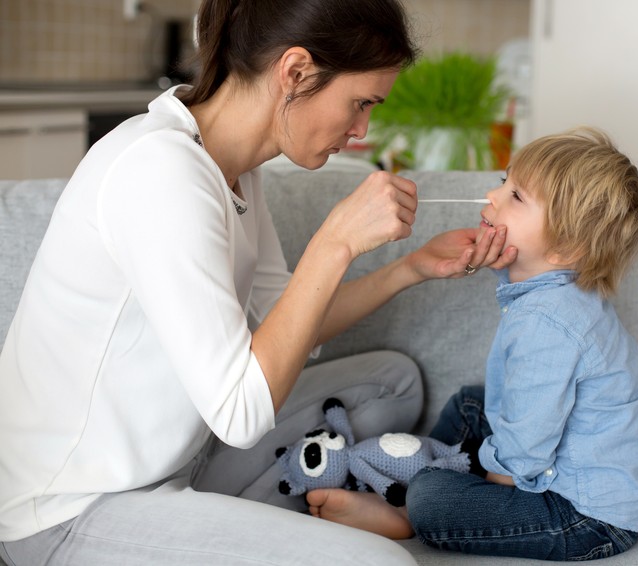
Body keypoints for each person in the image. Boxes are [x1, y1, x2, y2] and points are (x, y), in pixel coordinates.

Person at [0, 1, 517, 564]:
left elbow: (288, 325)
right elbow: (242, 414)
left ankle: (245, 514)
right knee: (383, 564)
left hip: (183, 461)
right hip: (72, 510)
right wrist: (335, 240)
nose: (362, 128)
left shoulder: (234, 166)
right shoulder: (160, 171)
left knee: (394, 382)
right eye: (360, 102)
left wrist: (410, 268)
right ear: (295, 71)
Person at [307, 126, 638, 561]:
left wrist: (481, 502)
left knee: (433, 498)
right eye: (503, 181)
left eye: (516, 197)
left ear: (566, 246)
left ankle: (407, 506)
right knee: (470, 404)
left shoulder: (549, 324)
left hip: (585, 516)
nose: (492, 196)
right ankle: (423, 470)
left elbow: (526, 448)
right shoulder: (551, 292)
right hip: (550, 459)